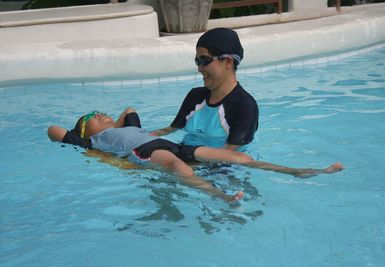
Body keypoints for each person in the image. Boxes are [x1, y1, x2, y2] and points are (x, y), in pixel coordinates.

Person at [47, 108, 344, 202]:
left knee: (236, 157)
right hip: (145, 151)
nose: (101, 114)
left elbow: (129, 111)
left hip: (170, 145)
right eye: (93, 116)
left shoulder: (122, 127)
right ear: (85, 131)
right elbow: (53, 130)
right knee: (177, 167)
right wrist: (86, 133)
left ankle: (296, 171)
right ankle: (223, 198)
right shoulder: (94, 140)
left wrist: (114, 119)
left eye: (102, 112)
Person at [152, 28, 259, 151]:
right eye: (197, 61)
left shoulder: (244, 106)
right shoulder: (195, 97)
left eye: (204, 60)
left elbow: (229, 154)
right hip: (185, 158)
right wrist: (142, 138)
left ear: (228, 62)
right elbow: (170, 130)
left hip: (223, 168)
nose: (200, 68)